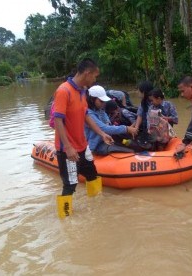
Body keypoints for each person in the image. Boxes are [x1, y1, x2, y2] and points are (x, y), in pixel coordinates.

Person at [53, 58, 114, 218]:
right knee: (70, 185)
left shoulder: (82, 91)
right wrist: (67, 147)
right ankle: (65, 219)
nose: (95, 80)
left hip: (82, 146)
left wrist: (102, 133)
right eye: (95, 76)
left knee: (92, 174)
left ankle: (97, 209)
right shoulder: (63, 91)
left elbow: (85, 115)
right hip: (68, 149)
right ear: (87, 73)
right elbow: (58, 120)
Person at [85, 85, 138, 155]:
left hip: (107, 139)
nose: (103, 104)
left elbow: (108, 124)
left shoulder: (100, 110)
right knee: (128, 152)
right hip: (97, 146)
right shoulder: (89, 114)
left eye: (104, 101)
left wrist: (127, 130)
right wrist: (127, 129)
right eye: (101, 101)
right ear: (92, 99)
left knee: (131, 145)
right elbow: (104, 128)